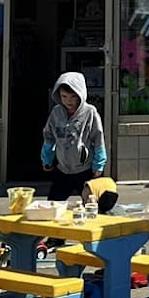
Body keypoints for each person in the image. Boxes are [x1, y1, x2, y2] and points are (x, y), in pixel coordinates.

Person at [42, 69, 108, 201]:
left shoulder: (90, 112)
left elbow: (98, 139)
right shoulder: (56, 112)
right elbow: (49, 137)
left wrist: (98, 165)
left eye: (73, 97)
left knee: (91, 204)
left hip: (84, 169)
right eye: (64, 97)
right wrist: (47, 159)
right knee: (53, 204)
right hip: (62, 169)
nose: (69, 101)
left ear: (80, 95)